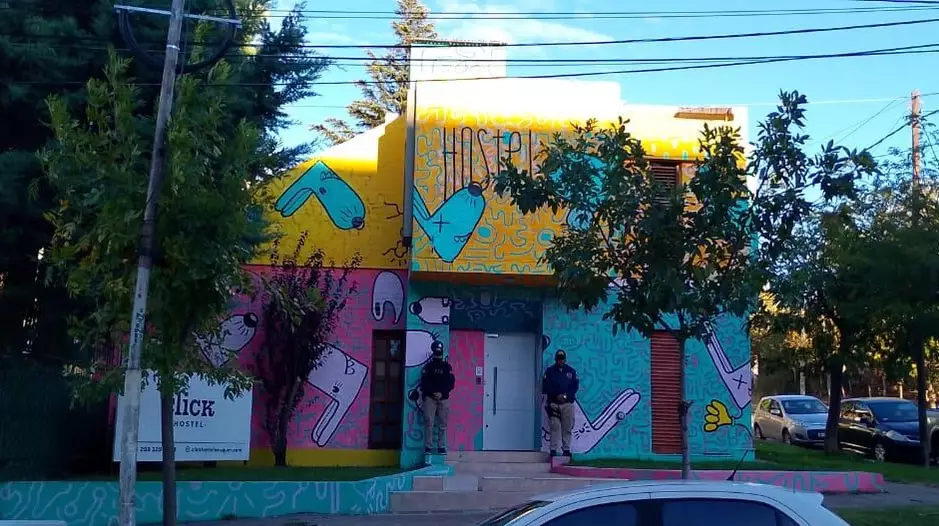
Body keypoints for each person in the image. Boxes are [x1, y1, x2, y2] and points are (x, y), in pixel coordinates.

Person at [420, 342, 455, 455]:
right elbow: (424, 382)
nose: (438, 354)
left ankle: (441, 446)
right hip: (430, 398)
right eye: (436, 351)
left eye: (439, 351)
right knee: (429, 422)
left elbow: (450, 383)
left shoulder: (447, 367)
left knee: (442, 423)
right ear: (433, 352)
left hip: (443, 398)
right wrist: (433, 393)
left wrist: (441, 393)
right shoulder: (428, 367)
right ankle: (428, 447)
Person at [542, 349, 579, 457]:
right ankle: (553, 450)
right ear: (555, 360)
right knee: (555, 427)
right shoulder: (549, 371)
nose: (561, 361)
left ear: (565, 359)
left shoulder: (571, 371)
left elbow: (574, 387)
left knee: (567, 428)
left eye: (562, 359)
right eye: (559, 359)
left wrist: (565, 396)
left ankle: (566, 449)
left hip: (567, 404)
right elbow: (546, 387)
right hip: (554, 404)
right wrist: (556, 395)